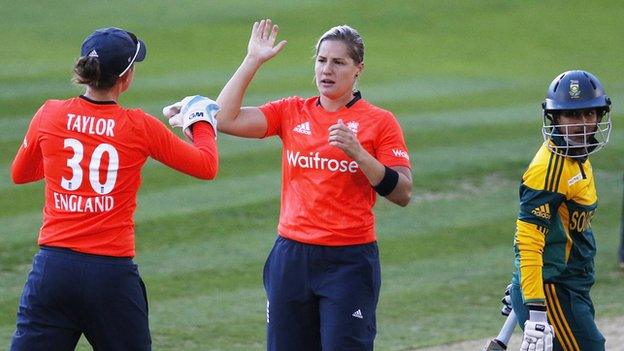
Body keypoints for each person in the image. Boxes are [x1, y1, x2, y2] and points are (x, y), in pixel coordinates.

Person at [177, 19, 412, 350]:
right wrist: (252, 60)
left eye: (338, 62)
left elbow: (403, 192)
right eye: (321, 60)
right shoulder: (292, 111)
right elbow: (226, 119)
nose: (326, 70)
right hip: (292, 257)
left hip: (348, 260)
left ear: (358, 69)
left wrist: (359, 153)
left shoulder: (380, 122)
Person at [10, 27, 219, 350]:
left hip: (53, 273)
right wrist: (200, 121)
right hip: (110, 276)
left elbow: (20, 174)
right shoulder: (139, 126)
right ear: (126, 77)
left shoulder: (49, 113)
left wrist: (60, 161)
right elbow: (206, 166)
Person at [509, 70, 612, 351]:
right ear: (555, 118)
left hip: (572, 288)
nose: (582, 124)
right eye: (572, 116)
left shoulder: (577, 157)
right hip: (553, 290)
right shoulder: (549, 171)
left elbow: (557, 229)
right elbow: (529, 241)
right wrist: (535, 306)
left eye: (589, 114)